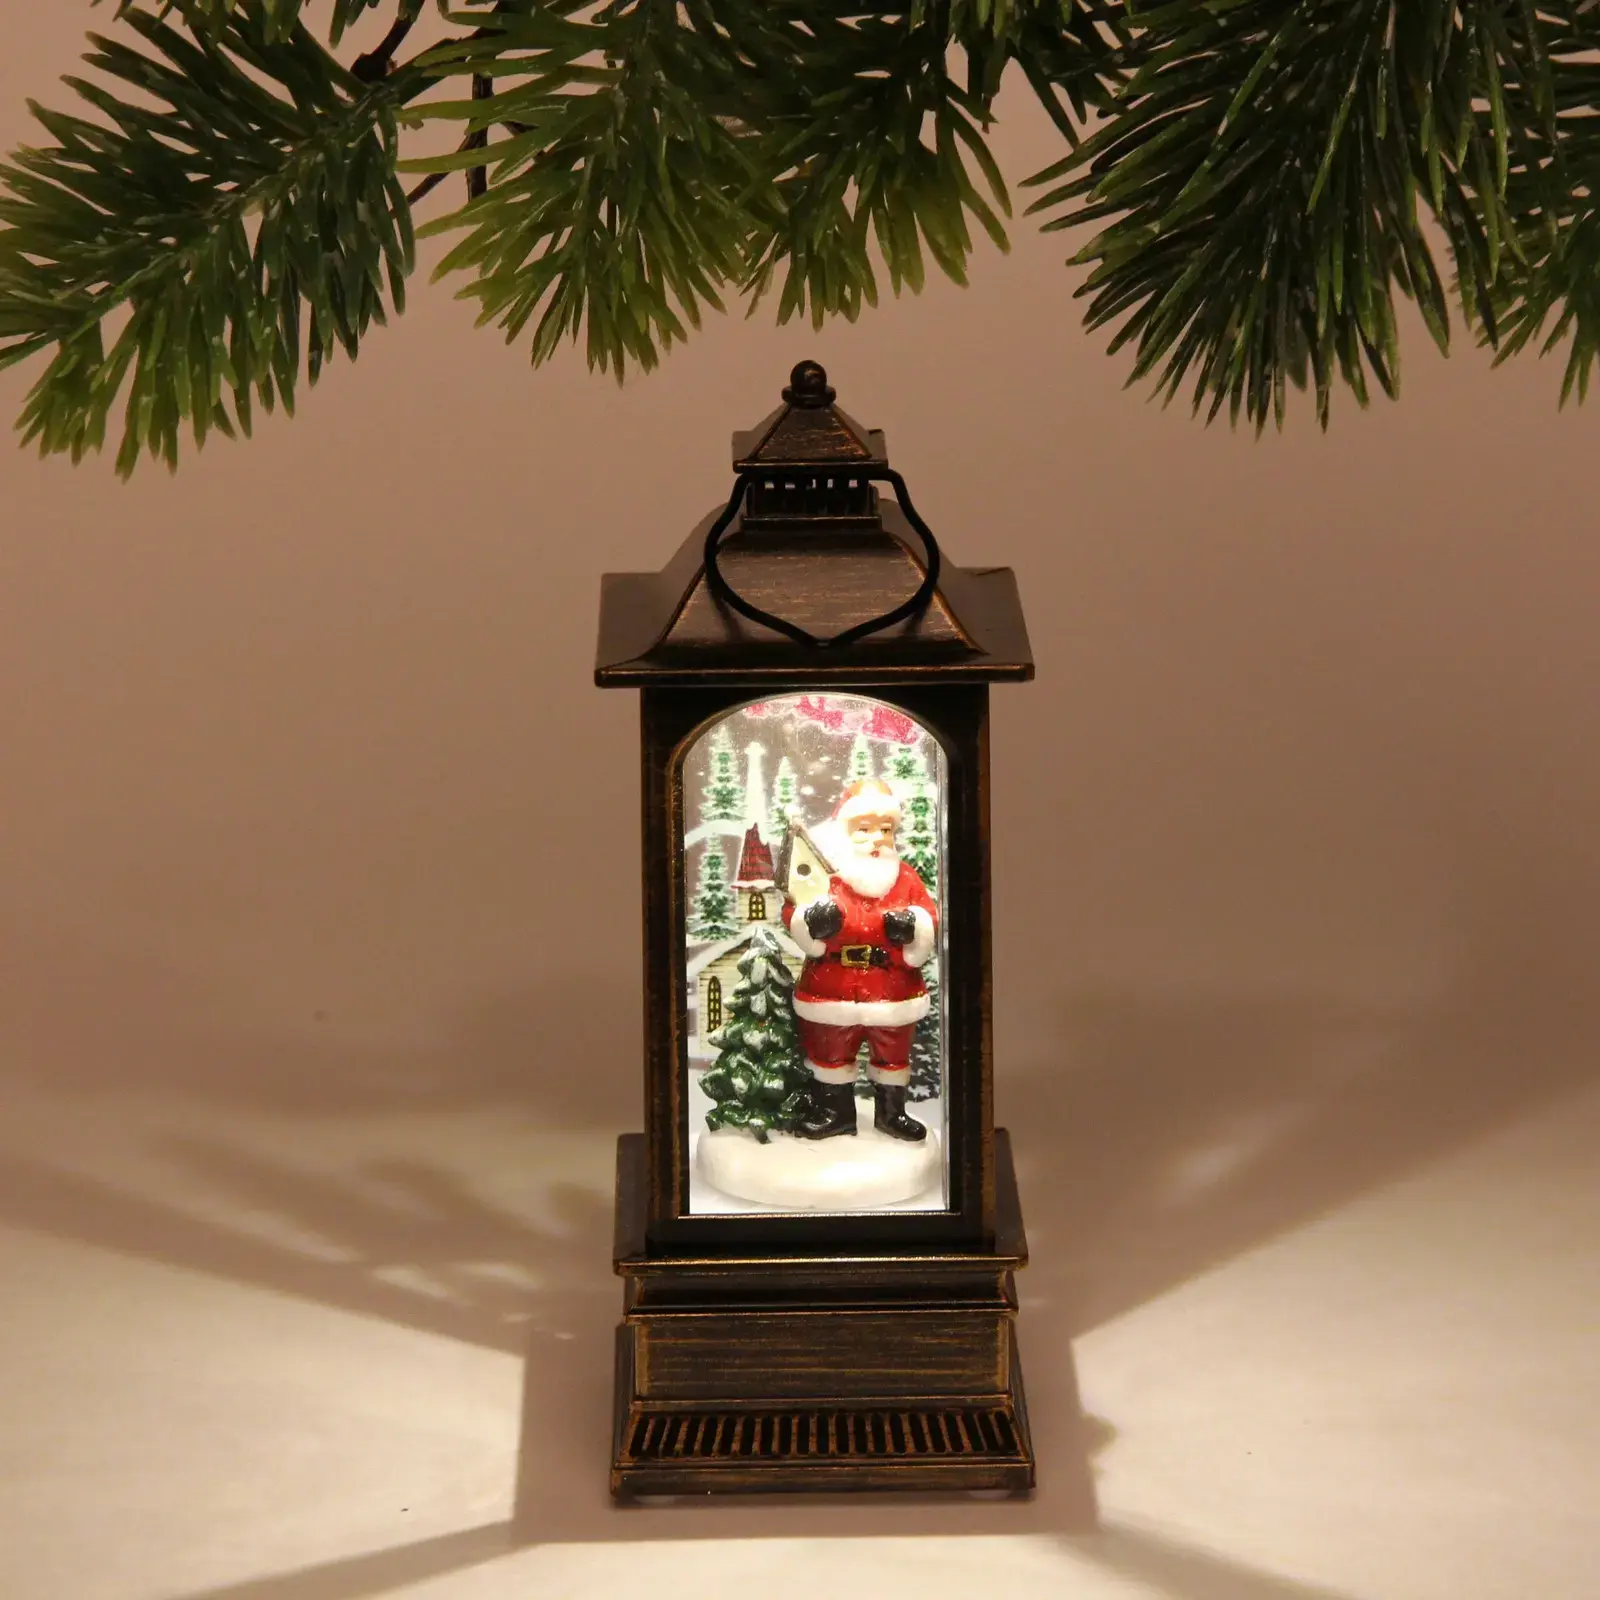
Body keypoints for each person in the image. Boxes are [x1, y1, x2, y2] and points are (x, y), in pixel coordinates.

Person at [781, 778, 938, 1141]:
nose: (877, 838)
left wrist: (913, 924)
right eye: (865, 829)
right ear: (845, 832)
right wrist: (811, 921)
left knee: (892, 1052)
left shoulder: (905, 878)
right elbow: (794, 908)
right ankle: (835, 1114)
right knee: (831, 1050)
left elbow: (928, 914)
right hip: (833, 985)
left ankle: (892, 1114)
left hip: (891, 988)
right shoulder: (827, 877)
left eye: (886, 829)